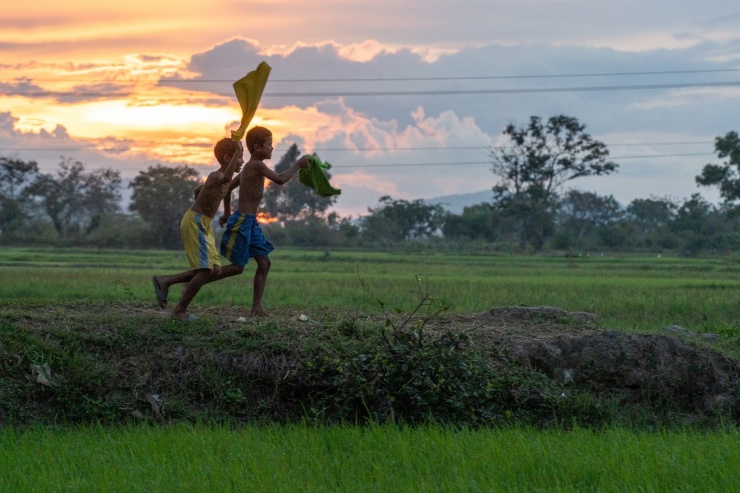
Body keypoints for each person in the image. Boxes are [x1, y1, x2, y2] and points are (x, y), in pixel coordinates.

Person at [218, 125, 309, 317]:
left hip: (250, 222)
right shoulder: (255, 165)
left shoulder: (251, 167)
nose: (272, 148)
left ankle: (256, 309)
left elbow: (228, 188)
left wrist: (226, 213)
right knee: (237, 268)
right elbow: (281, 179)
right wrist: (298, 164)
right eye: (269, 145)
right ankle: (196, 280)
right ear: (258, 148)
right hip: (243, 222)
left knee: (264, 263)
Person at [152, 138, 244, 320]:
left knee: (215, 270)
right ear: (228, 158)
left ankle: (165, 281)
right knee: (205, 271)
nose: (241, 161)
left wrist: (221, 210)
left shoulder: (221, 180)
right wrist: (237, 149)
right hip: (195, 222)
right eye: (239, 157)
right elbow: (225, 179)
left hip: (204, 223)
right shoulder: (216, 176)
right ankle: (179, 311)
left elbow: (199, 191)